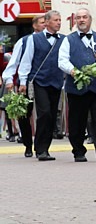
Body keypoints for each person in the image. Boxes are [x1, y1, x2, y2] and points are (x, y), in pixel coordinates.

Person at [57, 8, 96, 163]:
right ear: (75, 21)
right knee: (77, 121)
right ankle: (78, 151)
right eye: (79, 18)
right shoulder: (68, 40)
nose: (81, 20)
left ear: (90, 20)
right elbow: (62, 60)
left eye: (84, 17)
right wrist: (73, 71)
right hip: (77, 87)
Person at [17, 10, 66, 161]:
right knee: (44, 113)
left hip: (56, 81)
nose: (59, 22)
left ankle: (45, 148)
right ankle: (40, 149)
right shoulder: (34, 39)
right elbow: (26, 61)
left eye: (60, 20)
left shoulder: (64, 39)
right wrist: (23, 81)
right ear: (48, 21)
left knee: (52, 115)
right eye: (56, 20)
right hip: (39, 81)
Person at [3, 14, 46, 157]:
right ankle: (28, 144)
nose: (45, 25)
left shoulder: (52, 41)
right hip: (25, 82)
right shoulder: (25, 41)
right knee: (24, 114)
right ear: (34, 25)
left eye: (46, 22)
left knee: (45, 113)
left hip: (44, 82)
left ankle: (41, 145)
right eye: (42, 23)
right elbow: (14, 61)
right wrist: (8, 79)